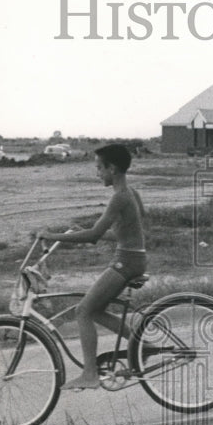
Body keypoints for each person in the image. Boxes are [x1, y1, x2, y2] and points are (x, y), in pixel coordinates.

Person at [40, 143, 146, 389]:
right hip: (133, 257)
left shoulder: (119, 198)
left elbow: (94, 235)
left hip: (126, 262)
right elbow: (129, 232)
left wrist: (53, 235)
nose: (97, 172)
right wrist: (87, 232)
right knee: (96, 310)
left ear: (113, 169)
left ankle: (90, 374)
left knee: (83, 311)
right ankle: (142, 344)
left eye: (100, 167)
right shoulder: (132, 193)